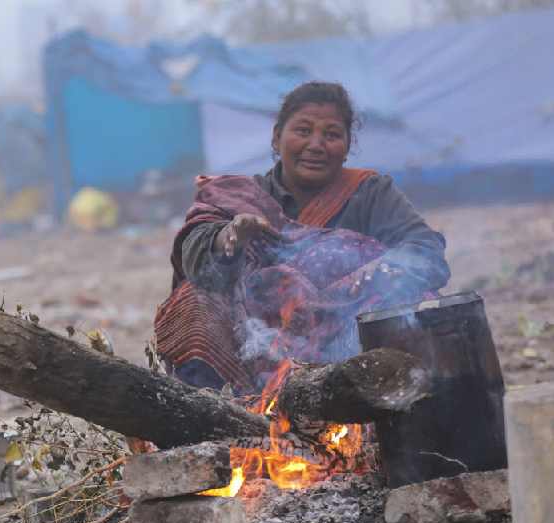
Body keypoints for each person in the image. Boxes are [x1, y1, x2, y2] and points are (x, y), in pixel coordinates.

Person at [155, 81, 450, 394]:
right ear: (276, 137)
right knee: (193, 300)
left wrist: (373, 275)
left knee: (415, 302)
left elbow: (426, 252)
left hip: (351, 351)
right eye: (303, 130)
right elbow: (196, 252)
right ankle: (220, 416)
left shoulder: (371, 194)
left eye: (332, 134)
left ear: (348, 145)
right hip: (255, 354)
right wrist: (228, 238)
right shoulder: (242, 197)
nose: (316, 145)